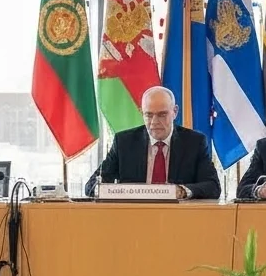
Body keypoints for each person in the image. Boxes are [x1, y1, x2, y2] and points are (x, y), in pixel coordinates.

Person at [84, 85, 221, 199]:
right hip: (133, 218)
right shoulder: (124, 143)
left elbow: (213, 186)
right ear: (141, 112)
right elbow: (92, 186)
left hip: (178, 218)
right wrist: (108, 191)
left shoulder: (194, 142)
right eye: (149, 115)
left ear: (175, 112)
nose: (155, 122)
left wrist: (181, 191)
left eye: (162, 114)